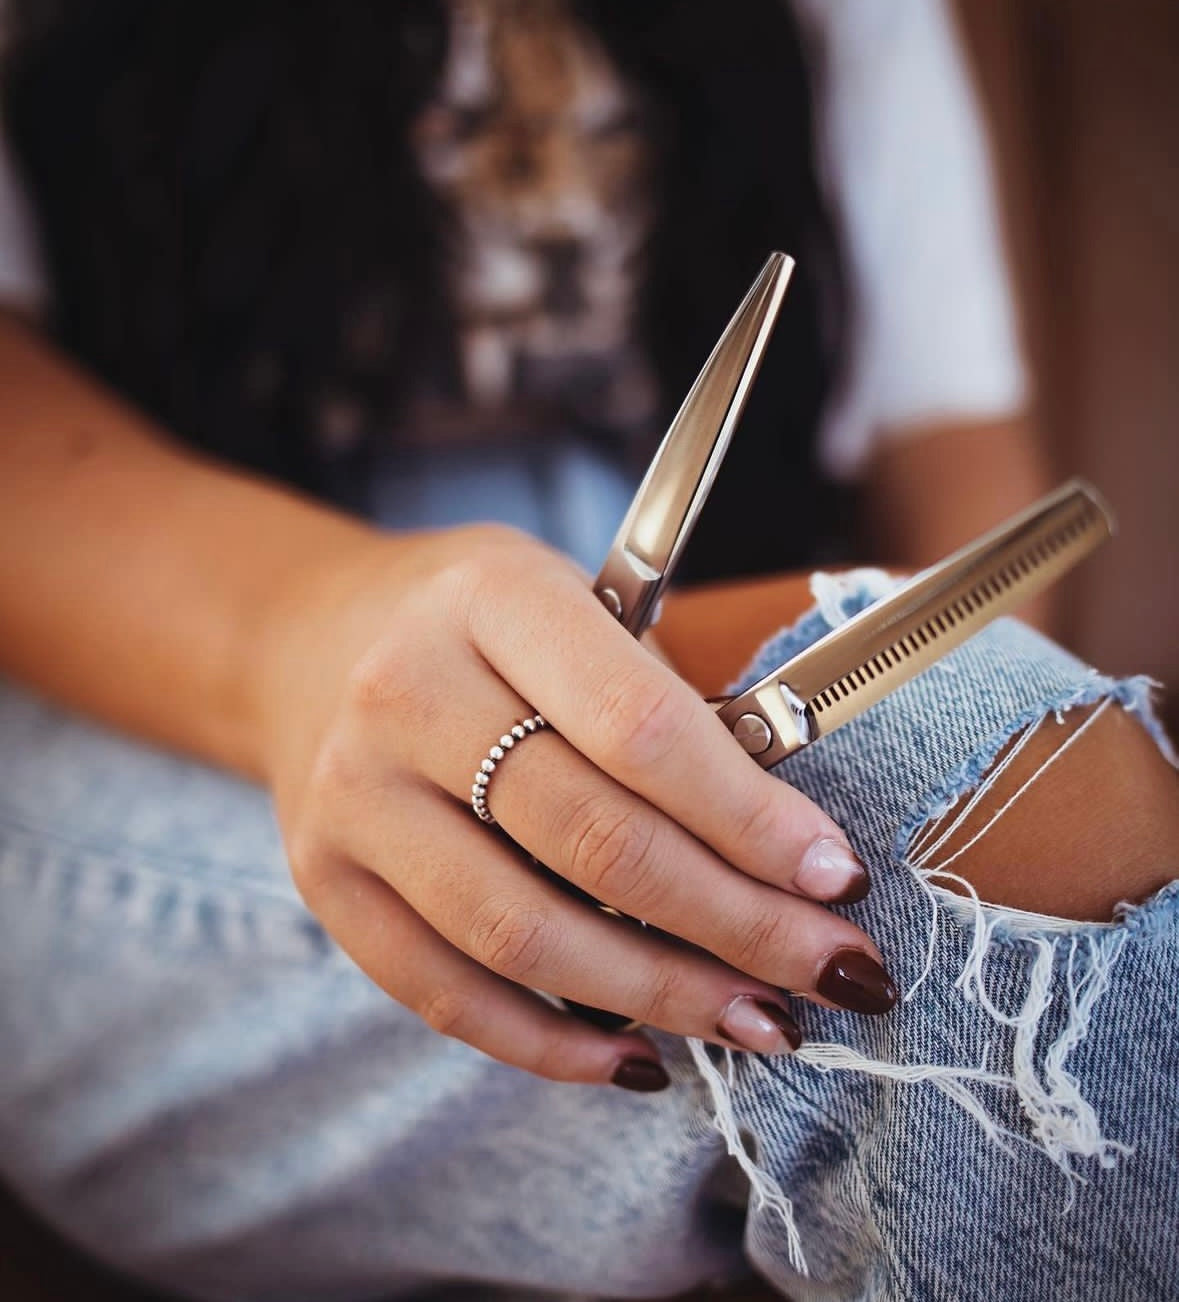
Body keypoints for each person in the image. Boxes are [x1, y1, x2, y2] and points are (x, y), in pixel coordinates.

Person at [1, 2, 1175, 1299]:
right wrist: (308, 639)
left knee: (1022, 825)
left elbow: (953, 466)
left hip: (672, 666)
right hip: (154, 682)